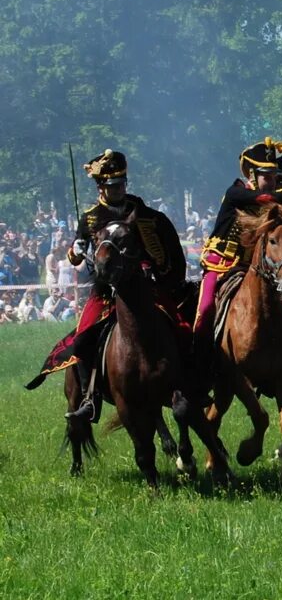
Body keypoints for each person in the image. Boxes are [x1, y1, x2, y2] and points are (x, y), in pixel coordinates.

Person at [43, 150, 188, 421]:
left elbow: (159, 247)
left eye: (122, 183)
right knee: (84, 336)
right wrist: (75, 249)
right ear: (101, 187)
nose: (120, 189)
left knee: (180, 324)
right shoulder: (90, 218)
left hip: (144, 287)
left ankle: (190, 381)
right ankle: (89, 398)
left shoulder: (140, 211)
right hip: (106, 292)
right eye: (113, 185)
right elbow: (75, 258)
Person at [192, 138, 282, 346]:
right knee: (206, 307)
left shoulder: (272, 198)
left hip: (254, 267)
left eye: (274, 176)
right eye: (266, 176)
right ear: (253, 176)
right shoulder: (237, 193)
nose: (271, 180)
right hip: (220, 263)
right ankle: (199, 359)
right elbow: (269, 198)